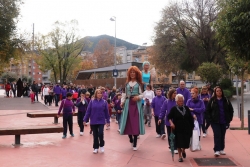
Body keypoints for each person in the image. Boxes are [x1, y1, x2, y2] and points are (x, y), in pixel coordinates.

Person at [120, 66, 145, 151]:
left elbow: (142, 95)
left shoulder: (139, 84)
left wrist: (138, 97)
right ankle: (130, 137)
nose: (132, 74)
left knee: (135, 122)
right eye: (131, 72)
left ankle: (135, 142)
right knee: (128, 122)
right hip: (128, 104)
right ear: (129, 74)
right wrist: (122, 102)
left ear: (137, 73)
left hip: (136, 105)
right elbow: (124, 94)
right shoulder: (126, 84)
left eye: (134, 72)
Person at [205, 86, 234, 157]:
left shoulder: (226, 100)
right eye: (217, 91)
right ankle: (216, 150)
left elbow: (231, 110)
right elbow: (208, 111)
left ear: (222, 92)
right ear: (215, 92)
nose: (219, 92)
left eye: (220, 91)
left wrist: (229, 119)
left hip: (224, 121)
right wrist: (210, 120)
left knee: (222, 135)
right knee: (217, 134)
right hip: (215, 121)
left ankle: (221, 149)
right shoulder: (212, 100)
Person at [167, 94, 194, 162]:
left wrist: (192, 126)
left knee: (186, 142)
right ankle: (180, 156)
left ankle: (183, 150)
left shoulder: (186, 108)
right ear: (176, 101)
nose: (181, 102)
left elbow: (190, 118)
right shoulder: (174, 109)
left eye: (182, 101)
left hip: (186, 127)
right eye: (179, 101)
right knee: (179, 142)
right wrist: (171, 123)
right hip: (178, 128)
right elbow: (169, 117)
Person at [83, 89, 110, 154]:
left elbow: (106, 112)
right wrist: (85, 119)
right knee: (95, 135)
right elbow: (88, 111)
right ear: (96, 94)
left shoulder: (104, 102)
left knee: (100, 133)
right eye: (98, 93)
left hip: (101, 120)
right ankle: (95, 147)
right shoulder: (92, 102)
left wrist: (108, 121)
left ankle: (102, 145)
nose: (99, 94)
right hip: (93, 120)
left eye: (100, 93)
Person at [158, 88, 178, 154]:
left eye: (176, 93)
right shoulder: (166, 102)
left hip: (176, 121)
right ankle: (171, 146)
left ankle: (175, 147)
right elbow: (163, 111)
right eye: (174, 93)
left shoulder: (177, 101)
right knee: (170, 134)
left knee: (176, 134)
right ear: (171, 94)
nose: (175, 94)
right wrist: (160, 118)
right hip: (168, 121)